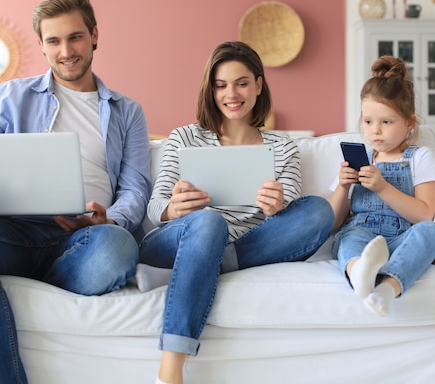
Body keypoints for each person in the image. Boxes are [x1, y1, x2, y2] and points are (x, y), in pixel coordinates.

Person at [0, 0, 152, 384]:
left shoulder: (127, 111)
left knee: (121, 246)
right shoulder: (10, 96)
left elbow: (137, 188)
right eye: (54, 41)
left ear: (95, 36)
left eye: (75, 37)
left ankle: (41, 278)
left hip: (84, 240)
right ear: (42, 46)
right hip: (14, 231)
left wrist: (111, 219)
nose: (66, 50)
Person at [137, 41, 334, 384]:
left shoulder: (282, 147)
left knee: (318, 210)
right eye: (221, 85)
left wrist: (278, 206)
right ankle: (171, 371)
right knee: (208, 222)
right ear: (210, 90)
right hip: (181, 239)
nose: (232, 94)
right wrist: (173, 208)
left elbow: (290, 221)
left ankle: (214, 262)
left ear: (258, 85)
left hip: (248, 245)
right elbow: (155, 210)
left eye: (242, 83)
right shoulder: (184, 137)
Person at [329, 55, 435, 317]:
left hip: (401, 236)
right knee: (348, 238)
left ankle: (387, 290)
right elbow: (333, 223)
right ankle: (360, 272)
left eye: (387, 122)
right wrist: (343, 188)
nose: (375, 131)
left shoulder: (420, 157)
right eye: (368, 122)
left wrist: (383, 188)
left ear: (409, 123)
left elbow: (425, 213)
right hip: (361, 233)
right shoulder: (358, 159)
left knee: (432, 231)